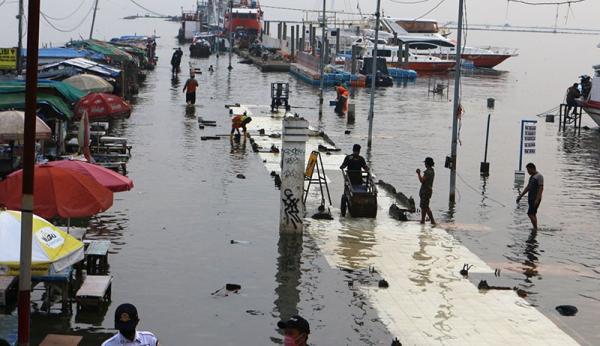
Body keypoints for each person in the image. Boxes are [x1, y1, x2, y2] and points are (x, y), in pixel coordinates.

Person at [517, 162, 544, 230]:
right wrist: (520, 196)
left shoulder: (539, 176)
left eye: (528, 170)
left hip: (535, 198)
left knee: (530, 214)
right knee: (533, 214)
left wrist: (537, 199)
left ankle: (535, 228)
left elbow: (541, 188)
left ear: (532, 169)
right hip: (531, 198)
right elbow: (528, 187)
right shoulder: (532, 177)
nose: (528, 172)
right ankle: (535, 227)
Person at [416, 157, 436, 225]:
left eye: (425, 163)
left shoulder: (428, 172)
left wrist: (418, 173)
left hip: (425, 191)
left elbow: (422, 180)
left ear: (427, 164)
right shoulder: (432, 171)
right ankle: (423, 220)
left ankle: (431, 221)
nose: (424, 164)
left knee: (425, 207)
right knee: (424, 206)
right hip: (427, 191)